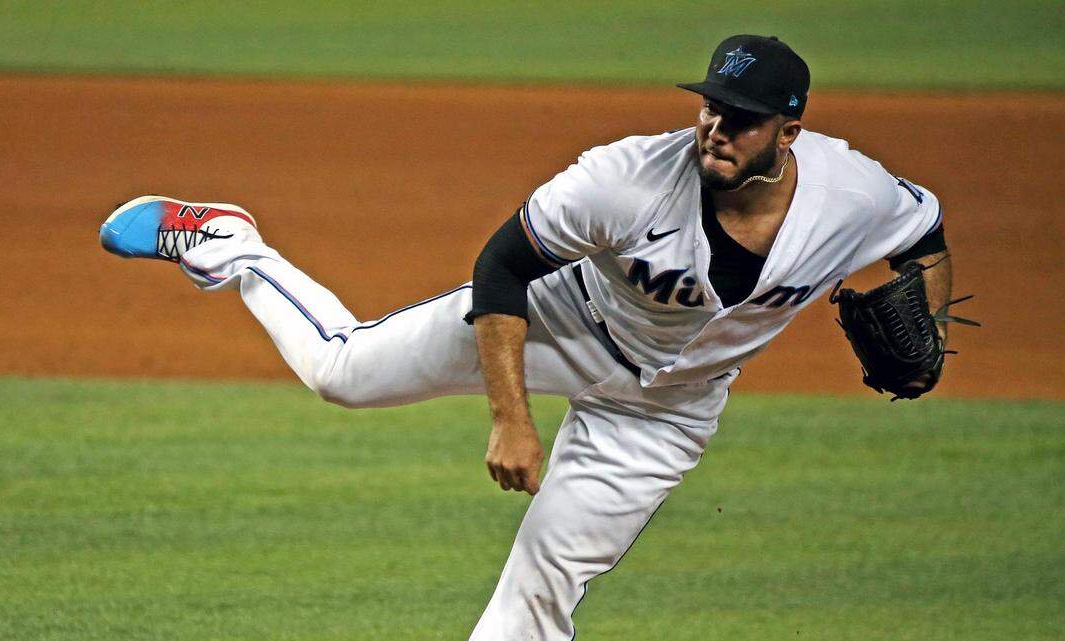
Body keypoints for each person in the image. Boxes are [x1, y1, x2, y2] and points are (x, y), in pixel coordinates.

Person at [100, 34, 955, 640]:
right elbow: (501, 266)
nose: (715, 130)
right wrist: (510, 415)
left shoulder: (853, 192)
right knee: (342, 370)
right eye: (710, 110)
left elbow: (924, 233)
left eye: (741, 119)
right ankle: (231, 245)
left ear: (790, 131)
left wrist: (933, 323)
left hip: (666, 414)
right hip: (558, 319)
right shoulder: (622, 180)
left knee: (540, 589)